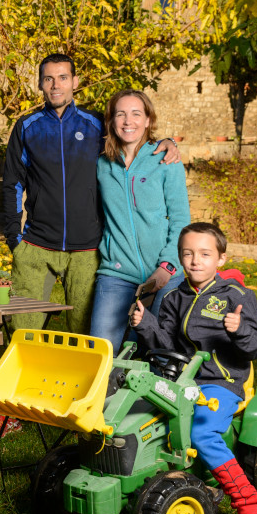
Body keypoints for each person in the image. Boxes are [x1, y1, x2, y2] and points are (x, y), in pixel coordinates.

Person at [2, 54, 179, 335]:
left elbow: (132, 136)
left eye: (62, 77)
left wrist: (165, 142)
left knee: (85, 337)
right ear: (40, 84)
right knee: (24, 332)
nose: (55, 85)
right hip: (36, 246)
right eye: (48, 78)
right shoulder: (26, 127)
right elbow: (12, 183)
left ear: (75, 82)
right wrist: (15, 238)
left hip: (87, 250)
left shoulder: (96, 124)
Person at [129, 222, 257, 514]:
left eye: (205, 254)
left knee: (202, 433)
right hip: (179, 377)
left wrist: (238, 329)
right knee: (136, 416)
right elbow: (166, 343)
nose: (196, 261)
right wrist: (146, 324)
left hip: (220, 382)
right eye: (188, 253)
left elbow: (254, 347)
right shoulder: (173, 297)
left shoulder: (237, 297)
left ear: (220, 259)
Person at [90, 89, 190, 348]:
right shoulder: (102, 164)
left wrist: (167, 266)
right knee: (101, 352)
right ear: (112, 121)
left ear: (148, 120)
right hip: (117, 273)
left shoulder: (167, 160)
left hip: (165, 272)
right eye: (120, 114)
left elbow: (181, 220)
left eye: (136, 114)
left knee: (158, 352)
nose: (128, 121)